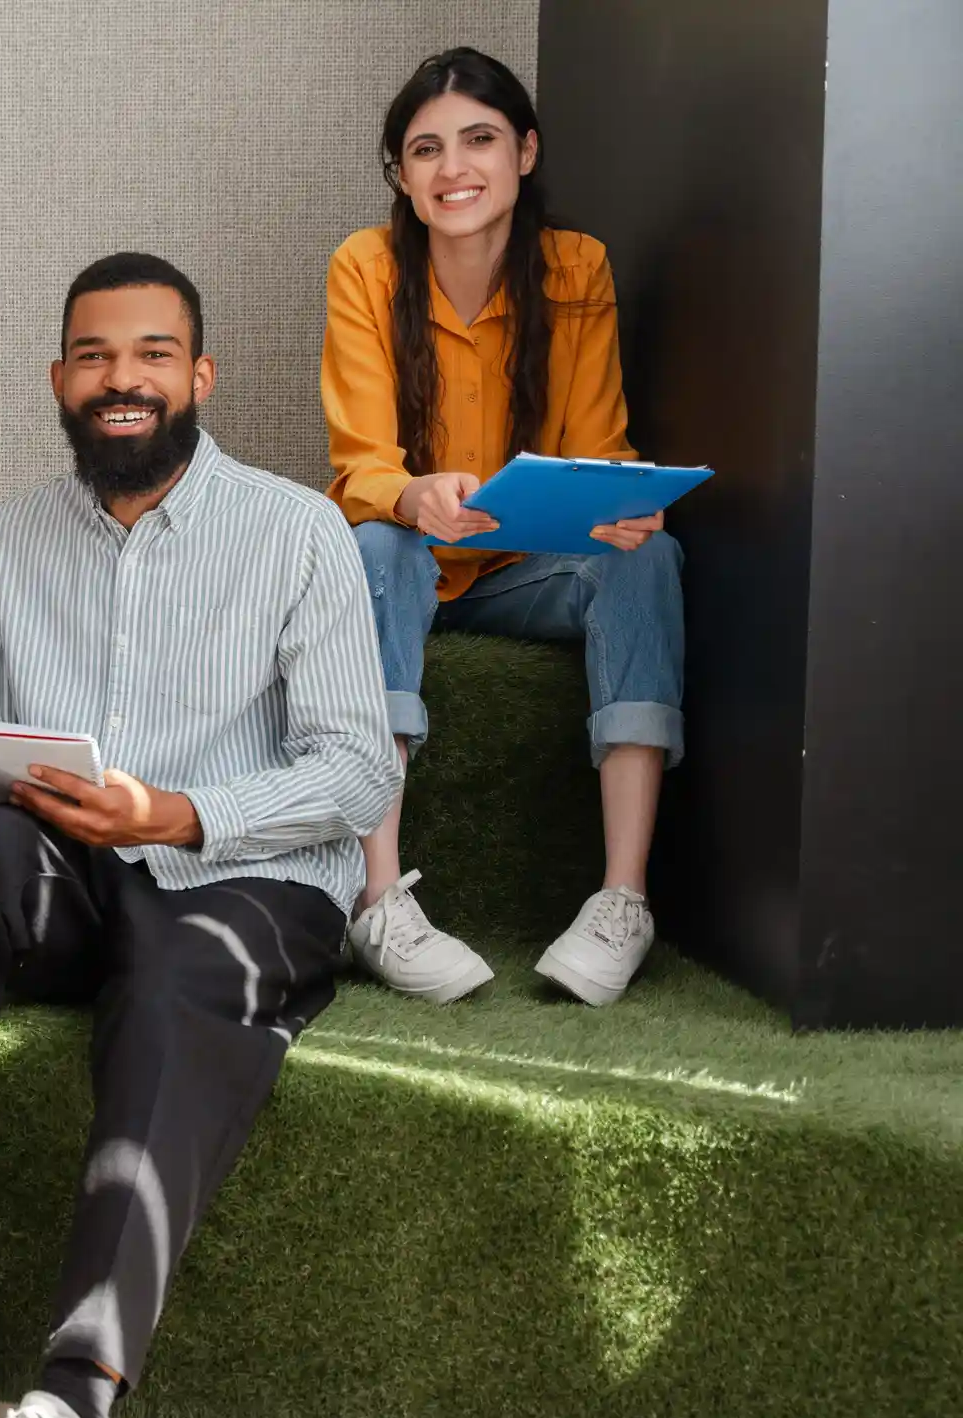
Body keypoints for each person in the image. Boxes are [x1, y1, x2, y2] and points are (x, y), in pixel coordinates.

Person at [0, 253, 399, 1418]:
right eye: (95, 357)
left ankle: (70, 1416)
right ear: (59, 381)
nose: (123, 380)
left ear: (199, 377)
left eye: (152, 355)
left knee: (169, 981)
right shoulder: (18, 540)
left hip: (237, 876)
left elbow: (359, 770)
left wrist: (177, 813)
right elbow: (5, 733)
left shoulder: (295, 532)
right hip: (67, 866)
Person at [323, 46, 686, 1007]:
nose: (454, 170)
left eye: (479, 140)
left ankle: (623, 900)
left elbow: (598, 444)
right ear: (401, 175)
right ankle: (376, 899)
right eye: (427, 150)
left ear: (525, 151)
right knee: (374, 541)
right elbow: (362, 462)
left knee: (651, 559)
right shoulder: (365, 267)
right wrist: (413, 495)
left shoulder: (576, 268)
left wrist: (613, 505)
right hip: (403, 568)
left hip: (524, 575)